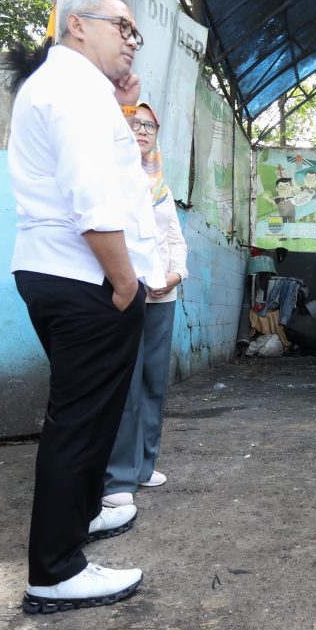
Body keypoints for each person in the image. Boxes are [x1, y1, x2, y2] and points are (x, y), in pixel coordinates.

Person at [8, 0, 164, 614]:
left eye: (135, 32)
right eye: (122, 27)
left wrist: (121, 106)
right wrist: (126, 282)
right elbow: (93, 197)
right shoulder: (73, 90)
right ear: (77, 26)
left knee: (87, 417)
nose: (131, 41)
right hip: (86, 279)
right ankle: (56, 569)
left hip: (64, 275)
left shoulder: (72, 87)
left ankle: (74, 526)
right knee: (80, 421)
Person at [102, 102, 188, 508]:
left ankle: (143, 465)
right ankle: (118, 476)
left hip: (162, 295)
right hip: (125, 291)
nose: (141, 131)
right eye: (133, 124)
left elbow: (174, 239)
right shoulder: (111, 177)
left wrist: (176, 275)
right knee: (126, 382)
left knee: (154, 381)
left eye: (149, 126)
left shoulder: (162, 189)